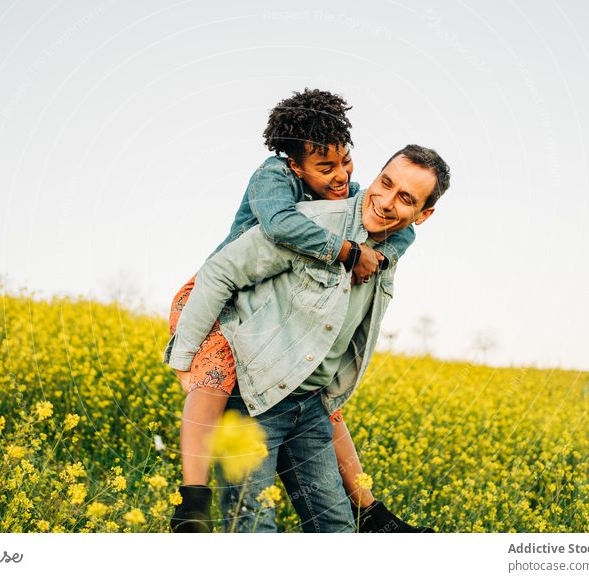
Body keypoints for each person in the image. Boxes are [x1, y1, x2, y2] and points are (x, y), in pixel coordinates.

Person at [164, 89, 419, 533]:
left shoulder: (339, 190)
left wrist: (385, 250)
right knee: (214, 379)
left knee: (320, 399)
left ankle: (369, 509)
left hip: (261, 303)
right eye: (326, 168)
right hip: (218, 295)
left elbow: (382, 221)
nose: (341, 177)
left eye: (347, 161)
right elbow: (280, 226)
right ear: (294, 164)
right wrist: (346, 250)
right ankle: (192, 502)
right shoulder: (274, 178)